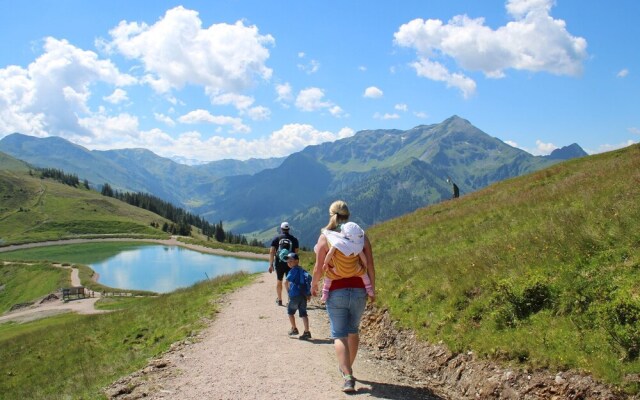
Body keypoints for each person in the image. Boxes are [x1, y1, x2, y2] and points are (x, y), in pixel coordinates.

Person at [311, 200, 375, 393]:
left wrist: (314, 284)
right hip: (359, 290)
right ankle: (347, 367)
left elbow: (318, 268)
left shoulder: (325, 238)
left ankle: (347, 375)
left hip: (336, 291)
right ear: (349, 216)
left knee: (339, 334)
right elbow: (370, 265)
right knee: (353, 330)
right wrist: (373, 288)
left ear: (331, 215)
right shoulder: (361, 237)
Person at [321, 222, 374, 302]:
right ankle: (369, 289)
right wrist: (365, 264)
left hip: (339, 270)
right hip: (354, 270)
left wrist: (325, 263)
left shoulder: (336, 243)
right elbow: (363, 258)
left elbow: (329, 254)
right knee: (364, 275)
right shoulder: (357, 246)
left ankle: (325, 293)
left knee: (329, 276)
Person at [268, 221, 300, 306]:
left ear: (281, 229)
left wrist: (271, 265)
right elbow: (296, 253)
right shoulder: (294, 239)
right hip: (291, 263)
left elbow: (271, 251)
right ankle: (290, 300)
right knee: (289, 281)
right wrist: (296, 265)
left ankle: (280, 300)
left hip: (279, 263)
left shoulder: (276, 239)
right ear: (289, 229)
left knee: (279, 281)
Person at [285, 252, 312, 340]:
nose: (289, 263)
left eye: (291, 261)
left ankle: (294, 328)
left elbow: (286, 282)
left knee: (290, 312)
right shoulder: (303, 270)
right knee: (303, 314)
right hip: (303, 295)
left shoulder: (293, 270)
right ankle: (307, 332)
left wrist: (288, 292)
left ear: (297, 261)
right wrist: (308, 294)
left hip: (294, 295)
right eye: (288, 261)